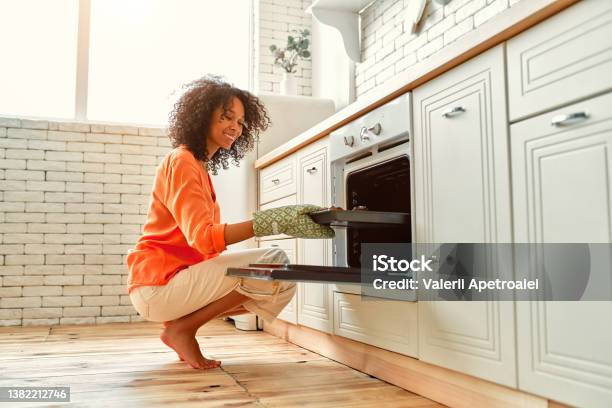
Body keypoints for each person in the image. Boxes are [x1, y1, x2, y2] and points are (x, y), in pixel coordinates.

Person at [126, 76, 333, 370]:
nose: (235, 127)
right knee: (274, 262)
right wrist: (269, 222)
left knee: (281, 281)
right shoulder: (182, 161)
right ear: (201, 115)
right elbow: (202, 238)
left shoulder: (197, 166)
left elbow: (204, 249)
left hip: (172, 283)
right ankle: (182, 329)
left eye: (240, 121)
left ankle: (183, 328)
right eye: (226, 117)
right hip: (159, 285)